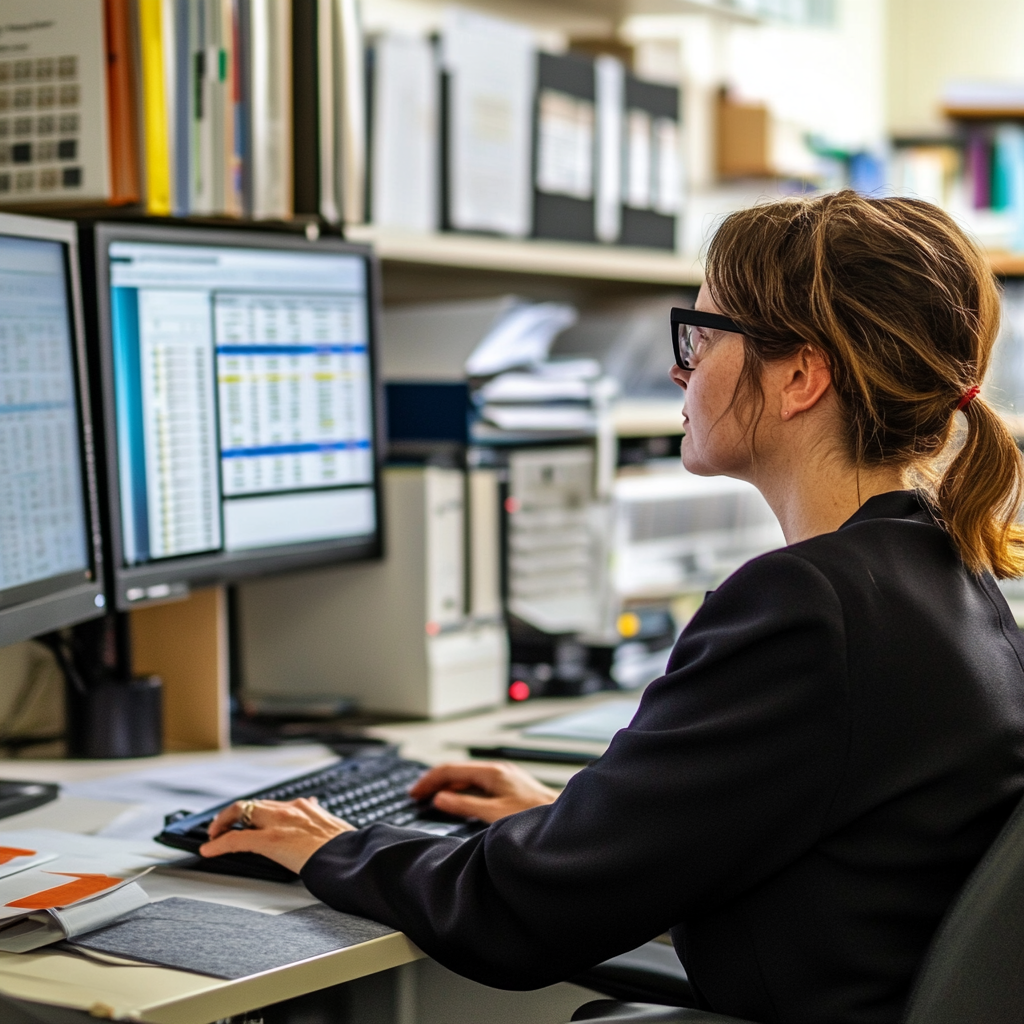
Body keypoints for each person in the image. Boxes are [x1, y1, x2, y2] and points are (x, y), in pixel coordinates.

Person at [201, 191, 1024, 1024]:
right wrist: (582, 827)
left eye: (703, 337)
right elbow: (823, 853)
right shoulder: (942, 573)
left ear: (802, 376)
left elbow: (512, 919)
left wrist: (334, 846)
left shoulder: (811, 606)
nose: (682, 368)